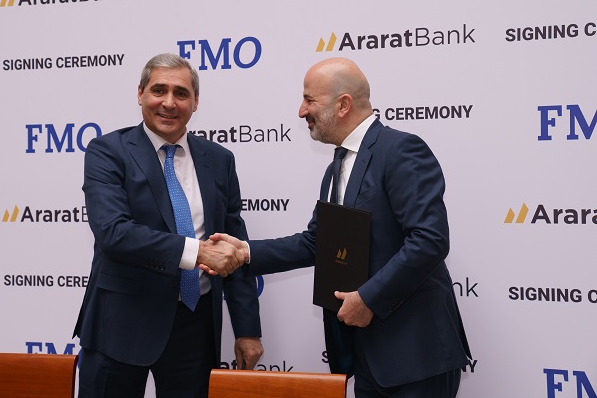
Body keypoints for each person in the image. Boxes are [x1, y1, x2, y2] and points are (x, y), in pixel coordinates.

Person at [207, 57, 471, 397]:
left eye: (309, 100)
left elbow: (429, 240)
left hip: (415, 355)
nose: (301, 111)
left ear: (343, 105)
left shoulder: (400, 150)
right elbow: (317, 243)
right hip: (366, 357)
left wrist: (368, 299)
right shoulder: (337, 166)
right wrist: (245, 251)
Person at [73, 53, 263, 398]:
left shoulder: (219, 160)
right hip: (120, 324)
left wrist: (247, 329)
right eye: (159, 90)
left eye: (181, 93)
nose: (169, 103)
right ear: (141, 93)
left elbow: (233, 244)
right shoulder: (107, 151)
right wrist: (197, 252)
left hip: (195, 326)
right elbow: (114, 232)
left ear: (196, 102)